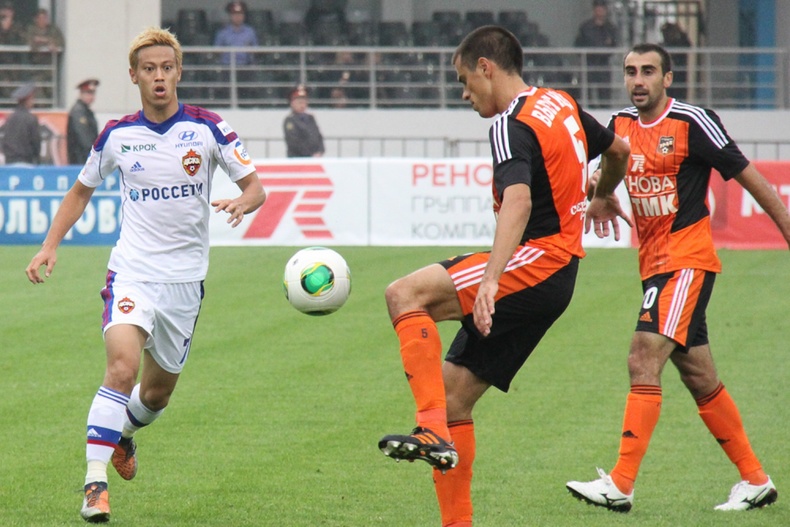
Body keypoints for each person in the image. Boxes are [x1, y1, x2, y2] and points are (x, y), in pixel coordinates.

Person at [377, 25, 630, 527]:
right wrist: (602, 192)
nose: (464, 93)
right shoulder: (560, 103)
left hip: (536, 261)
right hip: (560, 276)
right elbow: (619, 150)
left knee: (404, 295)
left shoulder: (510, 123)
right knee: (453, 397)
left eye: (464, 80)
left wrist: (491, 279)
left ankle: (429, 429)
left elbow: (518, 200)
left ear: (485, 67)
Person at [25, 27, 266, 523]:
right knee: (121, 368)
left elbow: (255, 187)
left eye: (167, 68)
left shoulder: (208, 128)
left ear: (178, 72)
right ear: (133, 76)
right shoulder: (117, 135)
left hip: (185, 282)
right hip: (132, 272)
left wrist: (243, 201)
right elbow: (80, 191)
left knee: (156, 395)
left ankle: (124, 435)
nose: (159, 76)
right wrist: (50, 245)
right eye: (149, 69)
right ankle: (94, 485)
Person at [566, 43, 790, 513]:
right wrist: (600, 193)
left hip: (686, 260)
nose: (638, 80)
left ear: (668, 78)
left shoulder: (692, 122)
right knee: (700, 376)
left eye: (648, 71)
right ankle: (755, 480)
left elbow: (749, 177)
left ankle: (621, 483)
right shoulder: (619, 125)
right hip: (653, 266)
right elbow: (604, 170)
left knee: (642, 356)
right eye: (631, 71)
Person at [574, 0, 618, 107]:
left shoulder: (610, 28)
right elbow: (578, 45)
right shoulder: (586, 27)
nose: (600, 11)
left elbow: (614, 45)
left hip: (604, 64)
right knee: (587, 92)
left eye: (602, 9)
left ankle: (605, 109)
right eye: (598, 9)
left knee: (604, 93)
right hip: (589, 63)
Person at [1, 82, 41, 165]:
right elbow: (36, 144)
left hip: (10, 162)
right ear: (28, 100)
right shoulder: (31, 119)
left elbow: (5, 141)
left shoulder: (10, 118)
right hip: (26, 162)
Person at [283, 85, 325, 157]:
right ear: (292, 104)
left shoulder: (311, 118)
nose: (302, 105)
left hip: (314, 158)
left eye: (304, 102)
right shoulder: (290, 121)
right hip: (298, 159)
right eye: (299, 103)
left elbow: (318, 136)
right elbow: (294, 142)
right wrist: (310, 154)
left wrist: (320, 151)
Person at [214, 1, 258, 67]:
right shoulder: (223, 33)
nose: (238, 17)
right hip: (227, 67)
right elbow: (216, 51)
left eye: (240, 14)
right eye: (234, 14)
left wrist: (250, 49)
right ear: (230, 16)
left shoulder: (250, 32)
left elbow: (256, 50)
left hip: (245, 66)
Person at [67, 78, 100, 165]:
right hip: (80, 160)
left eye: (93, 93)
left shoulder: (86, 111)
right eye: (88, 93)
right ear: (81, 93)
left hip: (86, 159)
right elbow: (85, 140)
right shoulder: (79, 112)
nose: (91, 96)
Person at [0, 1, 26, 99]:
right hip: (2, 63)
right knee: (4, 86)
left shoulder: (17, 26)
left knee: (14, 86)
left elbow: (23, 40)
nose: (7, 13)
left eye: (9, 10)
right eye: (5, 10)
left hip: (14, 62)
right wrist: (3, 30)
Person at [660, 22, 691, 100]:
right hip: (668, 76)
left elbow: (688, 45)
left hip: (679, 76)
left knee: (679, 96)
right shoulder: (662, 46)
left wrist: (680, 31)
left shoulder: (679, 43)